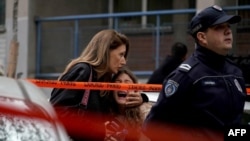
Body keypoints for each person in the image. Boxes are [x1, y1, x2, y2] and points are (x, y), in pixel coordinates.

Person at [143, 5, 247, 140]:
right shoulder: (186, 76)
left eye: (228, 26)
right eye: (219, 27)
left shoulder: (235, 73)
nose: (228, 31)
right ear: (202, 37)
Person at [49, 29, 146, 140]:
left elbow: (114, 105)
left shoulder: (103, 79)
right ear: (106, 52)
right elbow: (58, 112)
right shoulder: (83, 71)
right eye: (121, 55)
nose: (124, 61)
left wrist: (142, 99)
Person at [104, 66, 151, 141]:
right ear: (111, 91)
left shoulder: (145, 114)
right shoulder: (104, 114)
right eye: (117, 82)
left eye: (127, 83)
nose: (122, 86)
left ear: (135, 90)